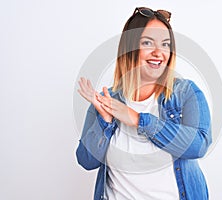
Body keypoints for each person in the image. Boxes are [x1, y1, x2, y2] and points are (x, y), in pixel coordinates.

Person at [76, 7, 212, 200]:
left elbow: (199, 145)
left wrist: (139, 119)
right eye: (148, 42)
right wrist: (104, 122)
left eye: (165, 44)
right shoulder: (107, 100)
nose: (159, 52)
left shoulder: (186, 93)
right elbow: (86, 161)